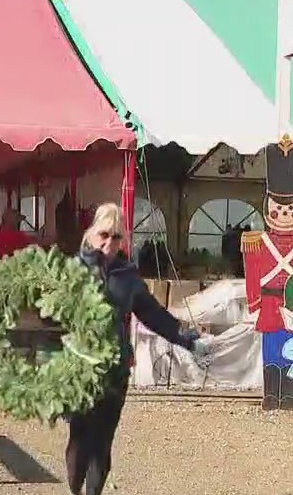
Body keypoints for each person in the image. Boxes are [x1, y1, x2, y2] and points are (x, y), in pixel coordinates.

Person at [67, 203, 211, 495]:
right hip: (77, 370)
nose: (109, 243)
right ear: (91, 234)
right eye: (104, 234)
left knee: (103, 441)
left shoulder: (128, 277)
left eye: (117, 237)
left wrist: (189, 339)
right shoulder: (70, 270)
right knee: (80, 441)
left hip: (115, 370)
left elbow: (155, 315)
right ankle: (74, 488)